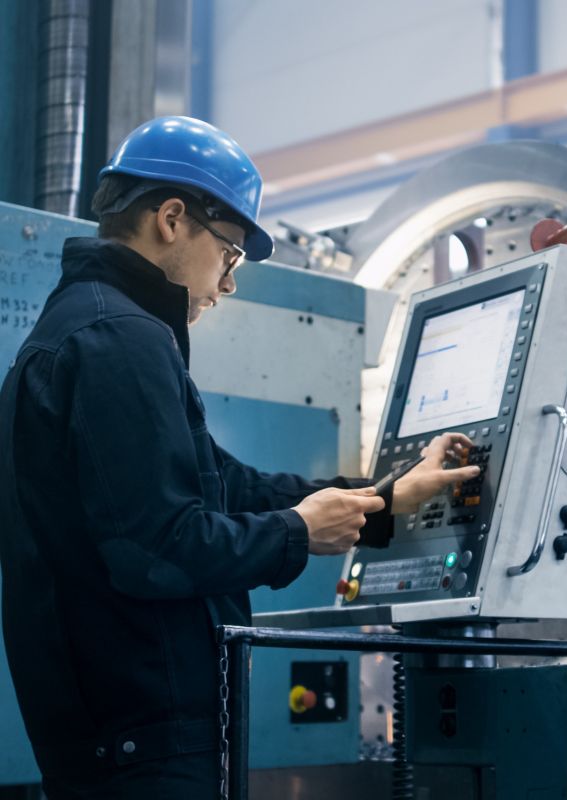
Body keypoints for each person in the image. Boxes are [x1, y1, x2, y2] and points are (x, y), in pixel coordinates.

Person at [0, 116, 478, 799]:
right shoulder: (120, 339)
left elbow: (230, 485)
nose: (227, 284)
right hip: (147, 748)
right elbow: (159, 547)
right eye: (228, 254)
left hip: (119, 743)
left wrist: (385, 501)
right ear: (171, 218)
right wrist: (299, 534)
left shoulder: (87, 328)